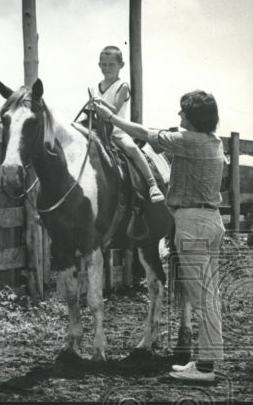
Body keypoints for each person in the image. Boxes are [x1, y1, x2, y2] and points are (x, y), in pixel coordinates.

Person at [93, 90, 224, 383]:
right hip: (211, 221)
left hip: (191, 222)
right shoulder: (213, 142)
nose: (179, 116)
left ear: (193, 117)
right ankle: (207, 360)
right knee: (208, 295)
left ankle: (205, 368)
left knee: (200, 297)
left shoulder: (188, 141)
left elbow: (146, 133)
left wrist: (111, 118)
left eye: (182, 112)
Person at [93, 46, 164, 203]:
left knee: (131, 148)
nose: (107, 68)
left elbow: (114, 109)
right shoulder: (96, 87)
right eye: (103, 65)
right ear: (99, 65)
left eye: (111, 65)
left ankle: (152, 184)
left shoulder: (122, 86)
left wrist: (99, 103)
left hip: (117, 131)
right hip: (99, 131)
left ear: (121, 65)